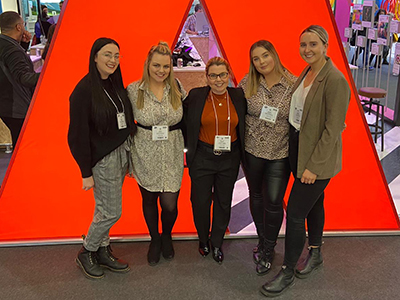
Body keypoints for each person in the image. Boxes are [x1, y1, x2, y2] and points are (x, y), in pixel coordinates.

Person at [260, 25, 350, 297]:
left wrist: (313, 166)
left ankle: (287, 272)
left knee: (296, 214)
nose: (307, 49)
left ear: (325, 46)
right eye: (303, 45)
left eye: (313, 44)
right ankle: (316, 253)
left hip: (316, 156)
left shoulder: (335, 80)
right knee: (314, 203)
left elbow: (332, 129)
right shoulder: (307, 72)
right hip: (298, 149)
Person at [68, 37, 136, 279]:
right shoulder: (83, 90)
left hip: (120, 154)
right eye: (107, 54)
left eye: (117, 55)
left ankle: (103, 250)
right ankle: (87, 251)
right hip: (103, 160)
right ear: (94, 56)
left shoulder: (114, 85)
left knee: (103, 208)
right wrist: (85, 171)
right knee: (111, 212)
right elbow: (77, 135)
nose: (113, 60)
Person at [238, 40, 296, 275]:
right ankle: (263, 241)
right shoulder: (247, 83)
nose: (261, 62)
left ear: (274, 54)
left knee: (273, 201)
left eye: (265, 56)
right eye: (256, 58)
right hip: (252, 153)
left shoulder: (293, 84)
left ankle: (269, 249)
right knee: (257, 196)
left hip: (279, 153)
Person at [183, 57, 247, 264]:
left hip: (229, 158)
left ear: (228, 75)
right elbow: (181, 119)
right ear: (207, 77)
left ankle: (217, 241)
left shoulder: (238, 96)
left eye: (222, 75)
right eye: (213, 75)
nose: (218, 80)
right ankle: (203, 239)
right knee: (200, 202)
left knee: (223, 201)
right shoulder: (196, 96)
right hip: (202, 157)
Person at [127, 42, 185, 266]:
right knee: (148, 199)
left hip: (172, 150)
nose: (161, 71)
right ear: (147, 65)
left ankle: (166, 234)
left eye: (166, 66)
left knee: (170, 204)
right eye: (156, 65)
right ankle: (155, 239)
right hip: (144, 150)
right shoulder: (134, 90)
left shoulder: (177, 87)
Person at [0, 11, 40, 147]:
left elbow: (9, 69)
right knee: (24, 147)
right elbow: (24, 78)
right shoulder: (12, 50)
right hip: (17, 107)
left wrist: (23, 46)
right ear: (18, 27)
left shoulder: (5, 44)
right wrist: (47, 75)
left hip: (5, 104)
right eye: (22, 24)